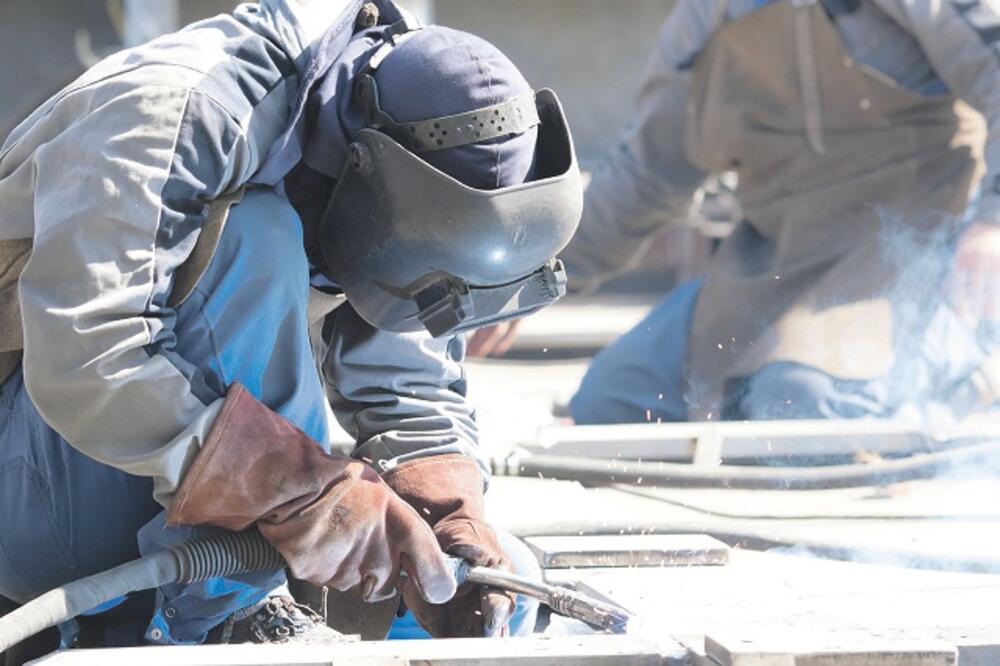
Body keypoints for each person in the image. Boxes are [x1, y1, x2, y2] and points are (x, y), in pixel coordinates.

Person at [0, 0, 581, 656]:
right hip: (28, 498)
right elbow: (87, 356)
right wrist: (297, 490)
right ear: (367, 170)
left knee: (519, 576)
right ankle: (235, 616)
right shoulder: (172, 114)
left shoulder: (400, 126)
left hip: (115, 491)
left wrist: (447, 507)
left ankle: (235, 589)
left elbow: (411, 376)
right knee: (256, 237)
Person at [471, 0, 1000, 425]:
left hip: (912, 261)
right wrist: (528, 277)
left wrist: (994, 221)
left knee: (799, 402)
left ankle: (974, 370)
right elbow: (644, 180)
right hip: (772, 263)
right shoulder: (703, 19)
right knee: (615, 399)